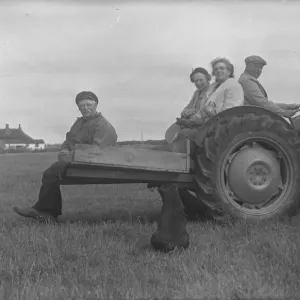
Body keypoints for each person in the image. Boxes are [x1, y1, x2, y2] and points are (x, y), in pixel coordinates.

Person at [13, 91, 118, 221]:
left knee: (53, 171)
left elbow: (97, 150)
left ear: (96, 104)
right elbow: (68, 140)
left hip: (97, 163)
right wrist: (64, 150)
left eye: (88, 104)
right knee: (53, 171)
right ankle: (46, 212)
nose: (85, 108)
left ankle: (45, 212)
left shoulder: (102, 125)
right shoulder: (79, 123)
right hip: (80, 159)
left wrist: (72, 154)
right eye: (82, 106)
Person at [159, 57, 244, 153]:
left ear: (229, 71)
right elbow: (203, 110)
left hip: (220, 127)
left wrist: (200, 118)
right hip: (209, 124)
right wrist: (194, 119)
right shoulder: (216, 87)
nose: (218, 71)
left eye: (222, 68)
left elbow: (230, 112)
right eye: (216, 69)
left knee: (184, 134)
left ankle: (178, 160)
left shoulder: (233, 86)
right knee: (179, 133)